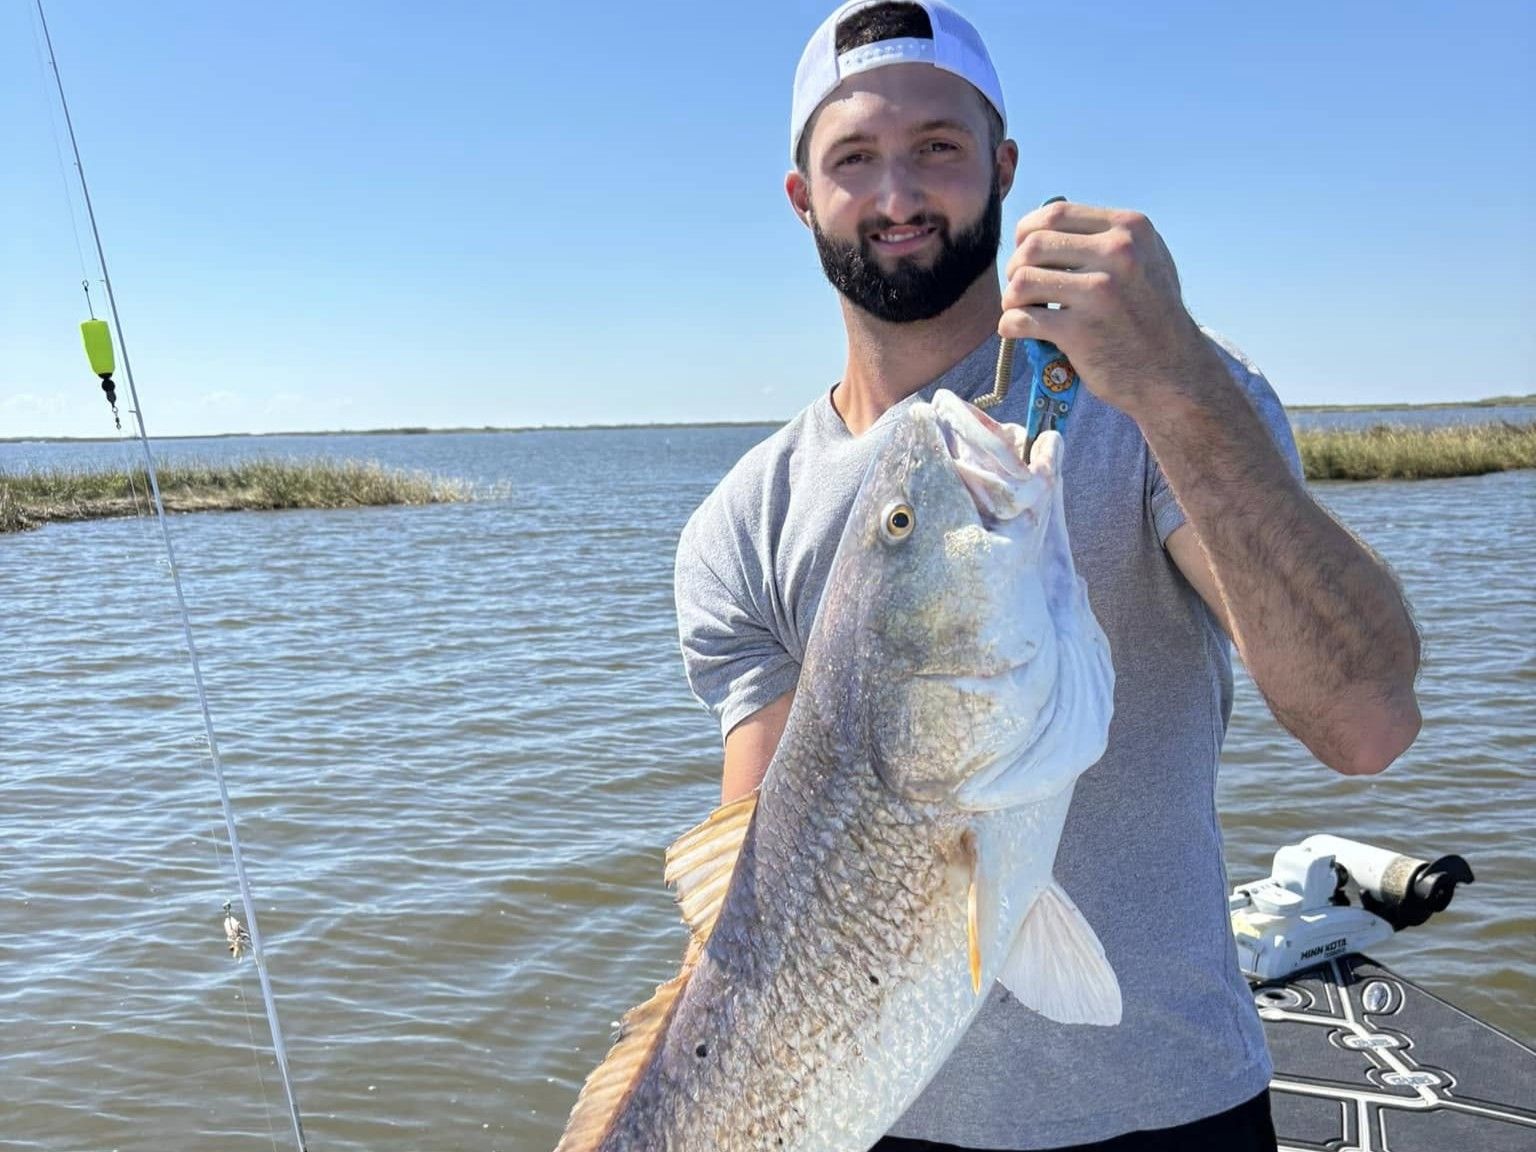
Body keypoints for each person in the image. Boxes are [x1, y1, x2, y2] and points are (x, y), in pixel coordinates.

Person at [671, 2, 1423, 1149]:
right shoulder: (742, 521)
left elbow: (1366, 723)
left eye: (938, 147)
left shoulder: (1154, 399)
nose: (897, 195)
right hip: (851, 1115)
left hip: (1170, 1110)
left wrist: (1175, 382)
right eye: (854, 159)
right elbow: (746, 905)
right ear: (800, 197)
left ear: (1004, 167)